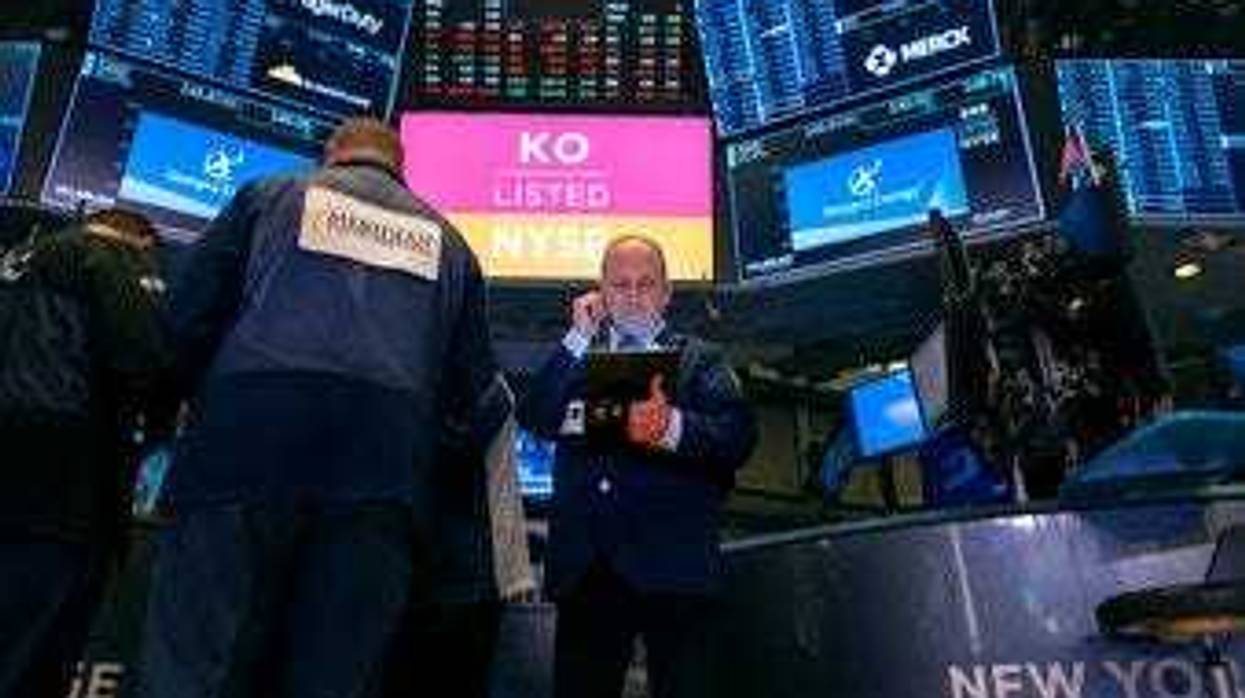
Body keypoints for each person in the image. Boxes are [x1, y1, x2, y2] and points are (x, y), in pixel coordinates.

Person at [137, 117, 498, 697]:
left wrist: (162, 421)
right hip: (382, 481)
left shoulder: (269, 195)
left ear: (330, 155)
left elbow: (183, 324)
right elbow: (477, 401)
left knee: (199, 665)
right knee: (334, 676)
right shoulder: (451, 242)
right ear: (400, 168)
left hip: (241, 456)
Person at [517, 236, 757, 698]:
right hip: (588, 573)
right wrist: (578, 336)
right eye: (619, 284)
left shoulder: (700, 360)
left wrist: (671, 427)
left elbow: (737, 437)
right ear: (600, 293)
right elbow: (536, 415)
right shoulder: (577, 356)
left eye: (645, 284)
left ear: (666, 292)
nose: (631, 295)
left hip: (675, 570)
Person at [0, 208, 171, 696]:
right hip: (61, 487)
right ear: (141, 241)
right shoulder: (107, 258)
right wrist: (160, 423)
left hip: (14, 464)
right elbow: (139, 359)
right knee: (34, 648)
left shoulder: (22, 256)